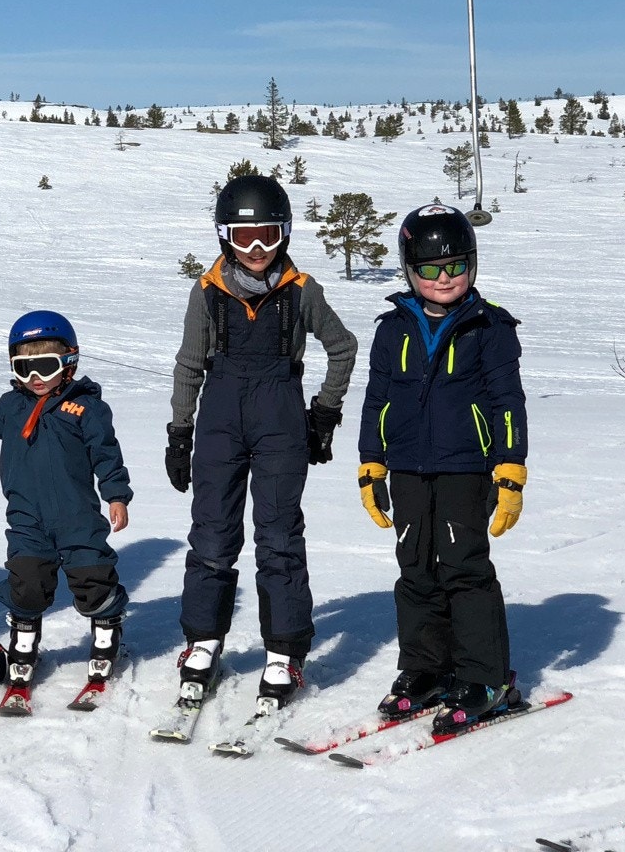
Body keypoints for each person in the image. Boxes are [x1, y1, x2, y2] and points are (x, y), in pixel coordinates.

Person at [166, 175, 357, 711]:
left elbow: (342, 348)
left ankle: (284, 652)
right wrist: (181, 431)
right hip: (220, 422)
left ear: (286, 235)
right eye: (245, 238)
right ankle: (203, 642)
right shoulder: (207, 293)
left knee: (278, 536)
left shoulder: (302, 292)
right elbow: (188, 364)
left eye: (268, 237)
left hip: (280, 422)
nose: (256, 250)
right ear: (225, 236)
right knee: (212, 534)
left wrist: (325, 412)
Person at [357, 204, 528, 733]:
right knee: (415, 568)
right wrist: (371, 463)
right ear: (409, 270)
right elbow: (376, 399)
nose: (445, 278)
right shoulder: (393, 329)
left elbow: (508, 402)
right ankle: (427, 668)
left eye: (455, 265)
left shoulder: (490, 327)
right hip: (408, 466)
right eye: (430, 268)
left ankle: (486, 677)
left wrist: (510, 469)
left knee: (463, 568)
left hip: (466, 467)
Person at [0, 311, 132, 695]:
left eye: (44, 366)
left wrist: (116, 494)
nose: (34, 376)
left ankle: (107, 633)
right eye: (24, 366)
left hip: (77, 517)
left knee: (91, 579)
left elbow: (106, 453)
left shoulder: (85, 407)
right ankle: (24, 643)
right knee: (27, 582)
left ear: (69, 361)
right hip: (27, 517)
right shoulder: (12, 405)